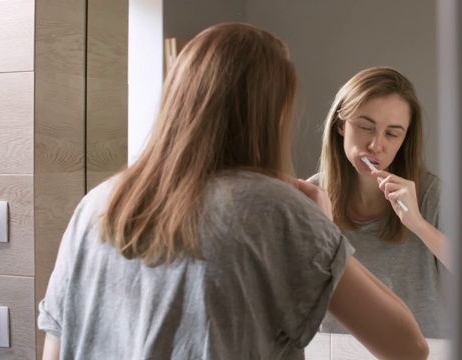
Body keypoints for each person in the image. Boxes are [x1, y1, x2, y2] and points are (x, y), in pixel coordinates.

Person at [37, 24, 429, 360]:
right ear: (272, 114)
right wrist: (323, 230)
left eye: (393, 132)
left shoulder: (98, 204)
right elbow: (408, 348)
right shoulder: (278, 211)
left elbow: (55, 349)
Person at [311, 67, 462, 338]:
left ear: (405, 140)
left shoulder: (433, 195)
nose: (375, 144)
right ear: (340, 125)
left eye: (392, 134)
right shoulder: (310, 197)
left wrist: (418, 224)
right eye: (365, 126)